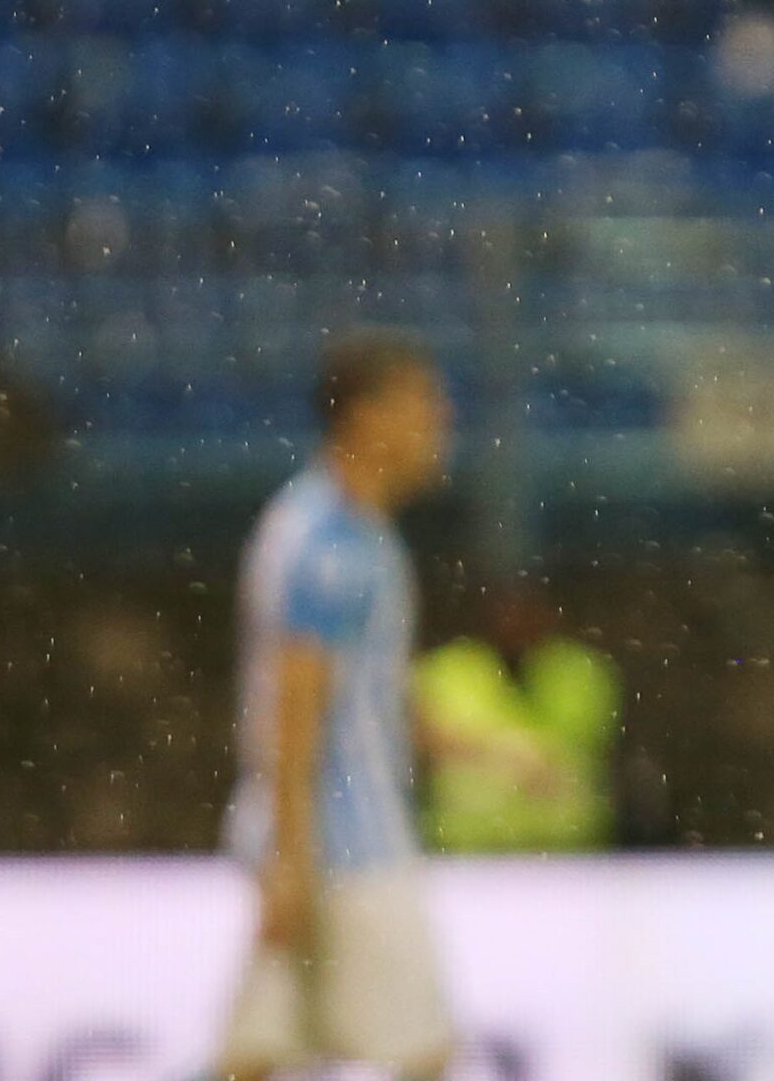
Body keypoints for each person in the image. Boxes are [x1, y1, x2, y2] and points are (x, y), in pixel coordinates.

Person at [216, 335, 457, 1081]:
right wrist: (292, 856)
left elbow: (367, 697)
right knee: (422, 1051)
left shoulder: (346, 529)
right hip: (346, 841)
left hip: (315, 832)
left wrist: (487, 750)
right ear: (365, 415)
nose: (438, 422)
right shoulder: (329, 543)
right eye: (421, 404)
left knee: (258, 1056)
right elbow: (296, 706)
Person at [415, 578, 621, 854]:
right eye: (506, 608)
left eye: (526, 609)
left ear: (549, 613)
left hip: (566, 847)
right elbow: (424, 734)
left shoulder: (581, 669)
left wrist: (487, 750)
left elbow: (581, 741)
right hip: (468, 848)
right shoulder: (447, 668)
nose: (514, 619)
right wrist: (504, 754)